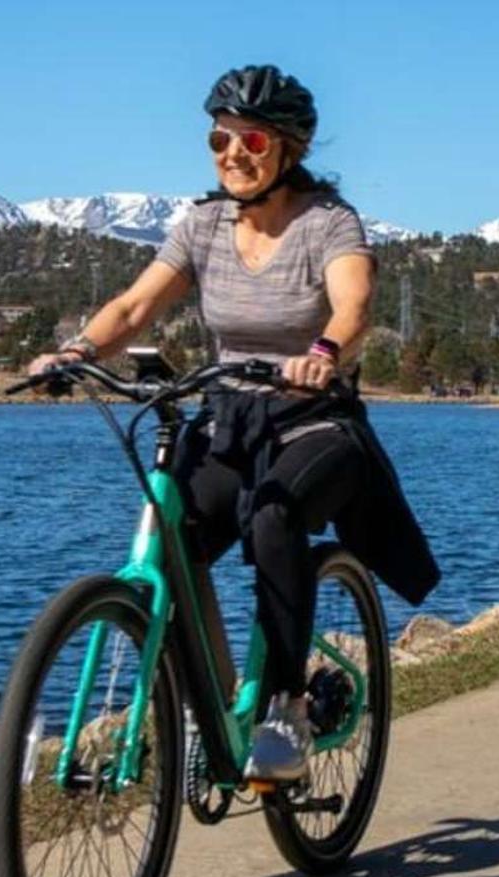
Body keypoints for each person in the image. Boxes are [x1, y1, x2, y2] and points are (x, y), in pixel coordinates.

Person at [27, 64, 437, 783]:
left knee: (275, 516)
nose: (232, 153)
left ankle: (287, 705)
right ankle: (209, 701)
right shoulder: (204, 223)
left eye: (250, 138)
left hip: (315, 419)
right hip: (232, 416)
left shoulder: (328, 222)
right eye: (219, 137)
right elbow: (133, 308)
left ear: (289, 148)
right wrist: (77, 350)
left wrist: (323, 352)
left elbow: (355, 305)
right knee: (175, 530)